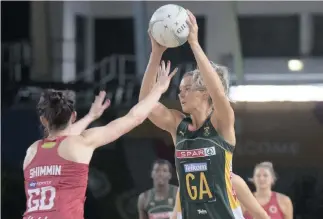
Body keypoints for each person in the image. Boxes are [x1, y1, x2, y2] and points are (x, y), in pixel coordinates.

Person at [139, 9, 253, 219]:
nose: (181, 94)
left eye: (187, 88)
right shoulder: (178, 125)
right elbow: (145, 104)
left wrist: (194, 43)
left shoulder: (221, 123)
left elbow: (218, 91)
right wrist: (156, 54)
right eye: (180, 89)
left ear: (204, 93)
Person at [22, 67, 176, 219]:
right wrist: (159, 89)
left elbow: (59, 138)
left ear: (43, 120)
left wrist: (90, 116)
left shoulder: (32, 152)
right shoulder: (80, 144)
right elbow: (134, 117)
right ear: (74, 116)